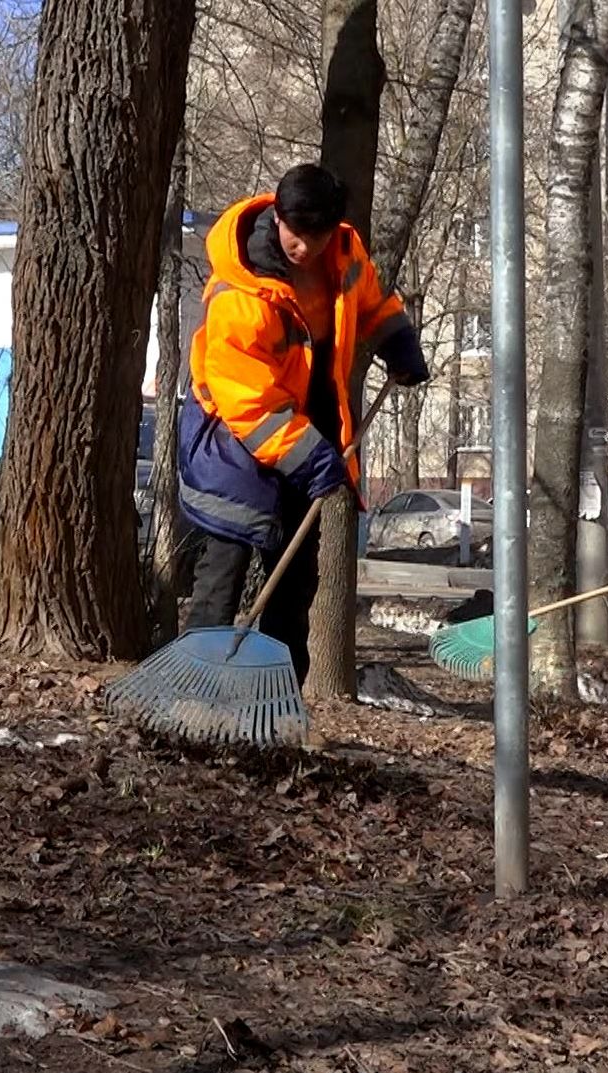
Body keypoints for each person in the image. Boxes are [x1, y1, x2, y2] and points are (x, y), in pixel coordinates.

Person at [178, 163, 429, 684]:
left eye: (316, 237)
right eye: (295, 233)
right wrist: (312, 457)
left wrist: (396, 339)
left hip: (307, 423)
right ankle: (193, 692)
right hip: (232, 438)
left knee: (294, 582)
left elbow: (370, 301)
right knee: (223, 569)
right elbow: (249, 403)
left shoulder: (344, 254)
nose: (304, 248)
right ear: (278, 216)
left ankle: (278, 699)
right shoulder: (240, 295)